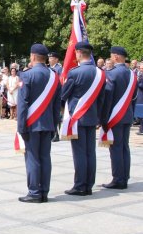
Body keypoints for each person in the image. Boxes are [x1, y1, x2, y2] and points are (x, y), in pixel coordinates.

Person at [60, 41, 106, 196]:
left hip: (77, 118)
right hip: (92, 117)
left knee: (79, 153)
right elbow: (101, 98)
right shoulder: (100, 73)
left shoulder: (74, 73)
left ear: (79, 53)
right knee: (90, 153)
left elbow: (64, 94)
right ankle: (89, 185)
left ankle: (80, 185)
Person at [17, 43, 61, 203]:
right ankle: (44, 192)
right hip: (48, 124)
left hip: (32, 124)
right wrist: (54, 125)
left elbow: (23, 104)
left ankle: (35, 192)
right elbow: (57, 105)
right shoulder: (54, 75)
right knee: (45, 158)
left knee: (33, 158)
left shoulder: (27, 75)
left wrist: (21, 127)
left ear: (33, 56)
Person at [101, 46, 138, 190]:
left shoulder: (112, 74)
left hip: (114, 116)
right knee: (124, 148)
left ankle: (118, 179)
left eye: (111, 56)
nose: (110, 58)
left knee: (116, 148)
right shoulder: (132, 74)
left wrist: (104, 118)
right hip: (127, 115)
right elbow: (134, 96)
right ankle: (125, 177)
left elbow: (108, 98)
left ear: (116, 57)